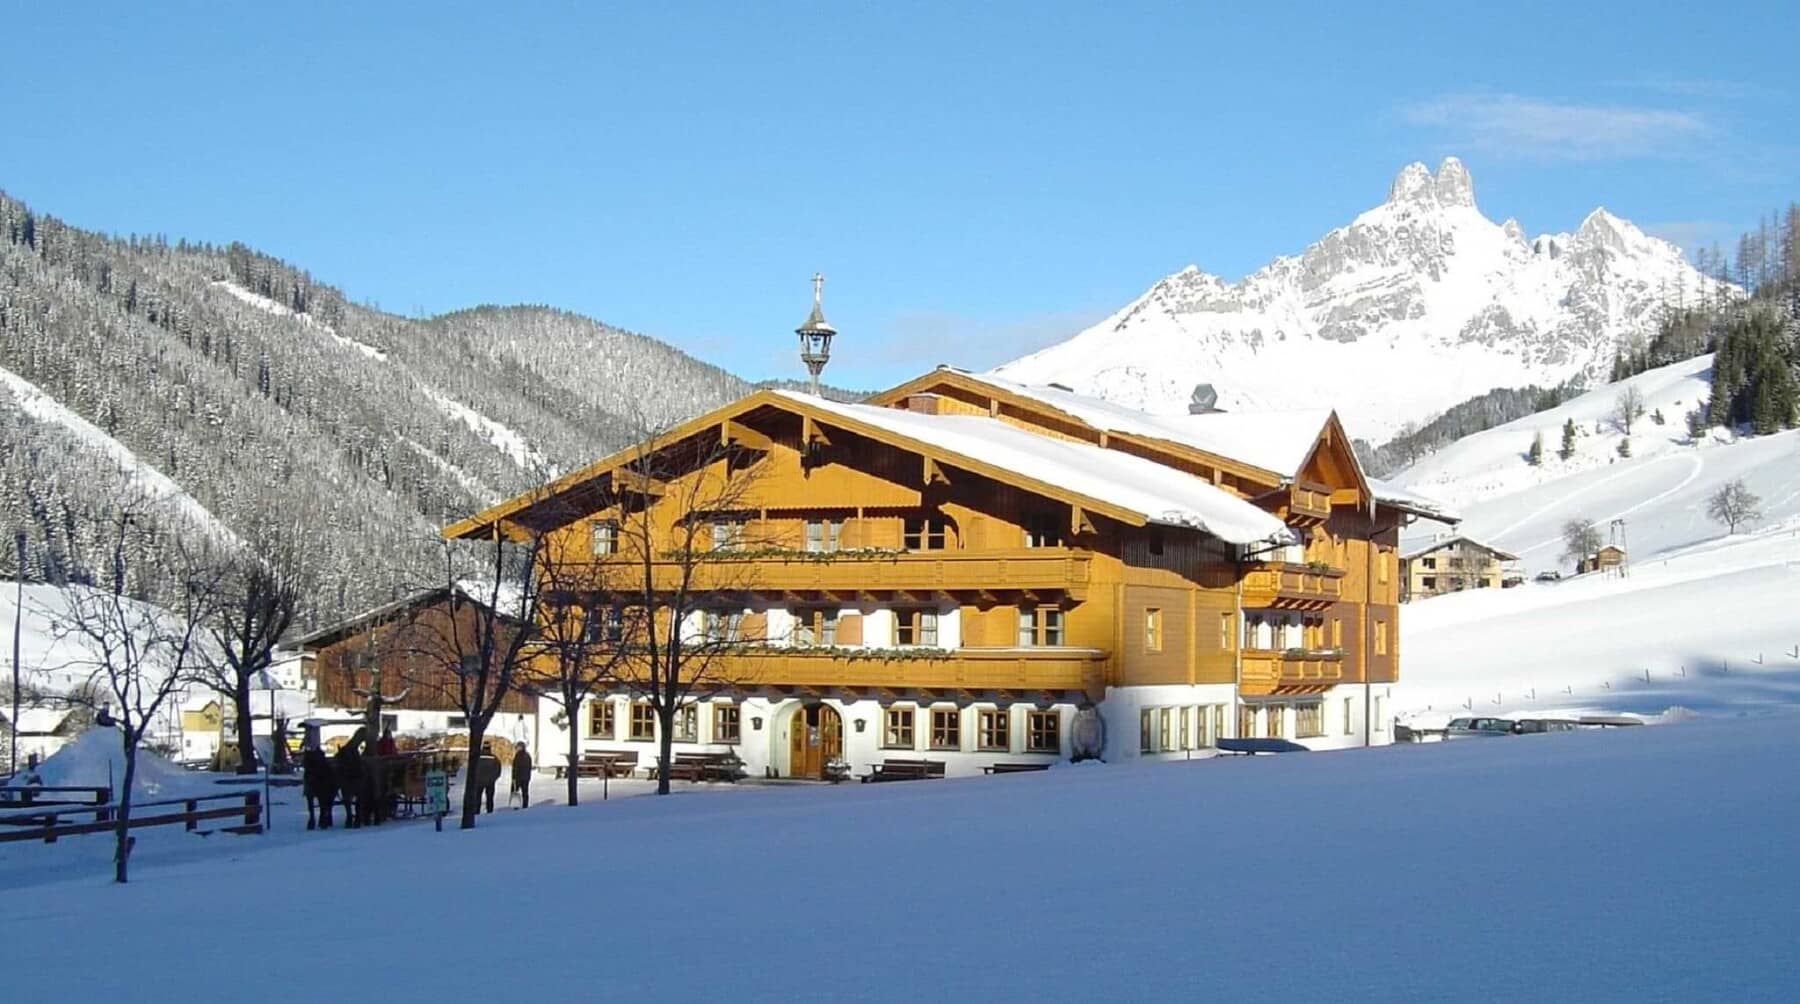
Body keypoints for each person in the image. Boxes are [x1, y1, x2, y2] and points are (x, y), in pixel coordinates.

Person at [477, 743, 502, 813]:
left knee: (477, 798)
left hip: (479, 782)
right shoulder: (494, 758)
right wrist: (493, 778)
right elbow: (498, 770)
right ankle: (489, 811)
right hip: (490, 782)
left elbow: (472, 769)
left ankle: (476, 811)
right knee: (490, 798)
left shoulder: (477, 757)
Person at [510, 743, 533, 809]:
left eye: (518, 747)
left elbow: (516, 767)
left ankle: (516, 805)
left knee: (515, 791)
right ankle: (525, 805)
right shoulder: (528, 755)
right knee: (525, 792)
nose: (517, 748)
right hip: (526, 777)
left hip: (518, 777)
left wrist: (514, 777)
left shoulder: (518, 756)